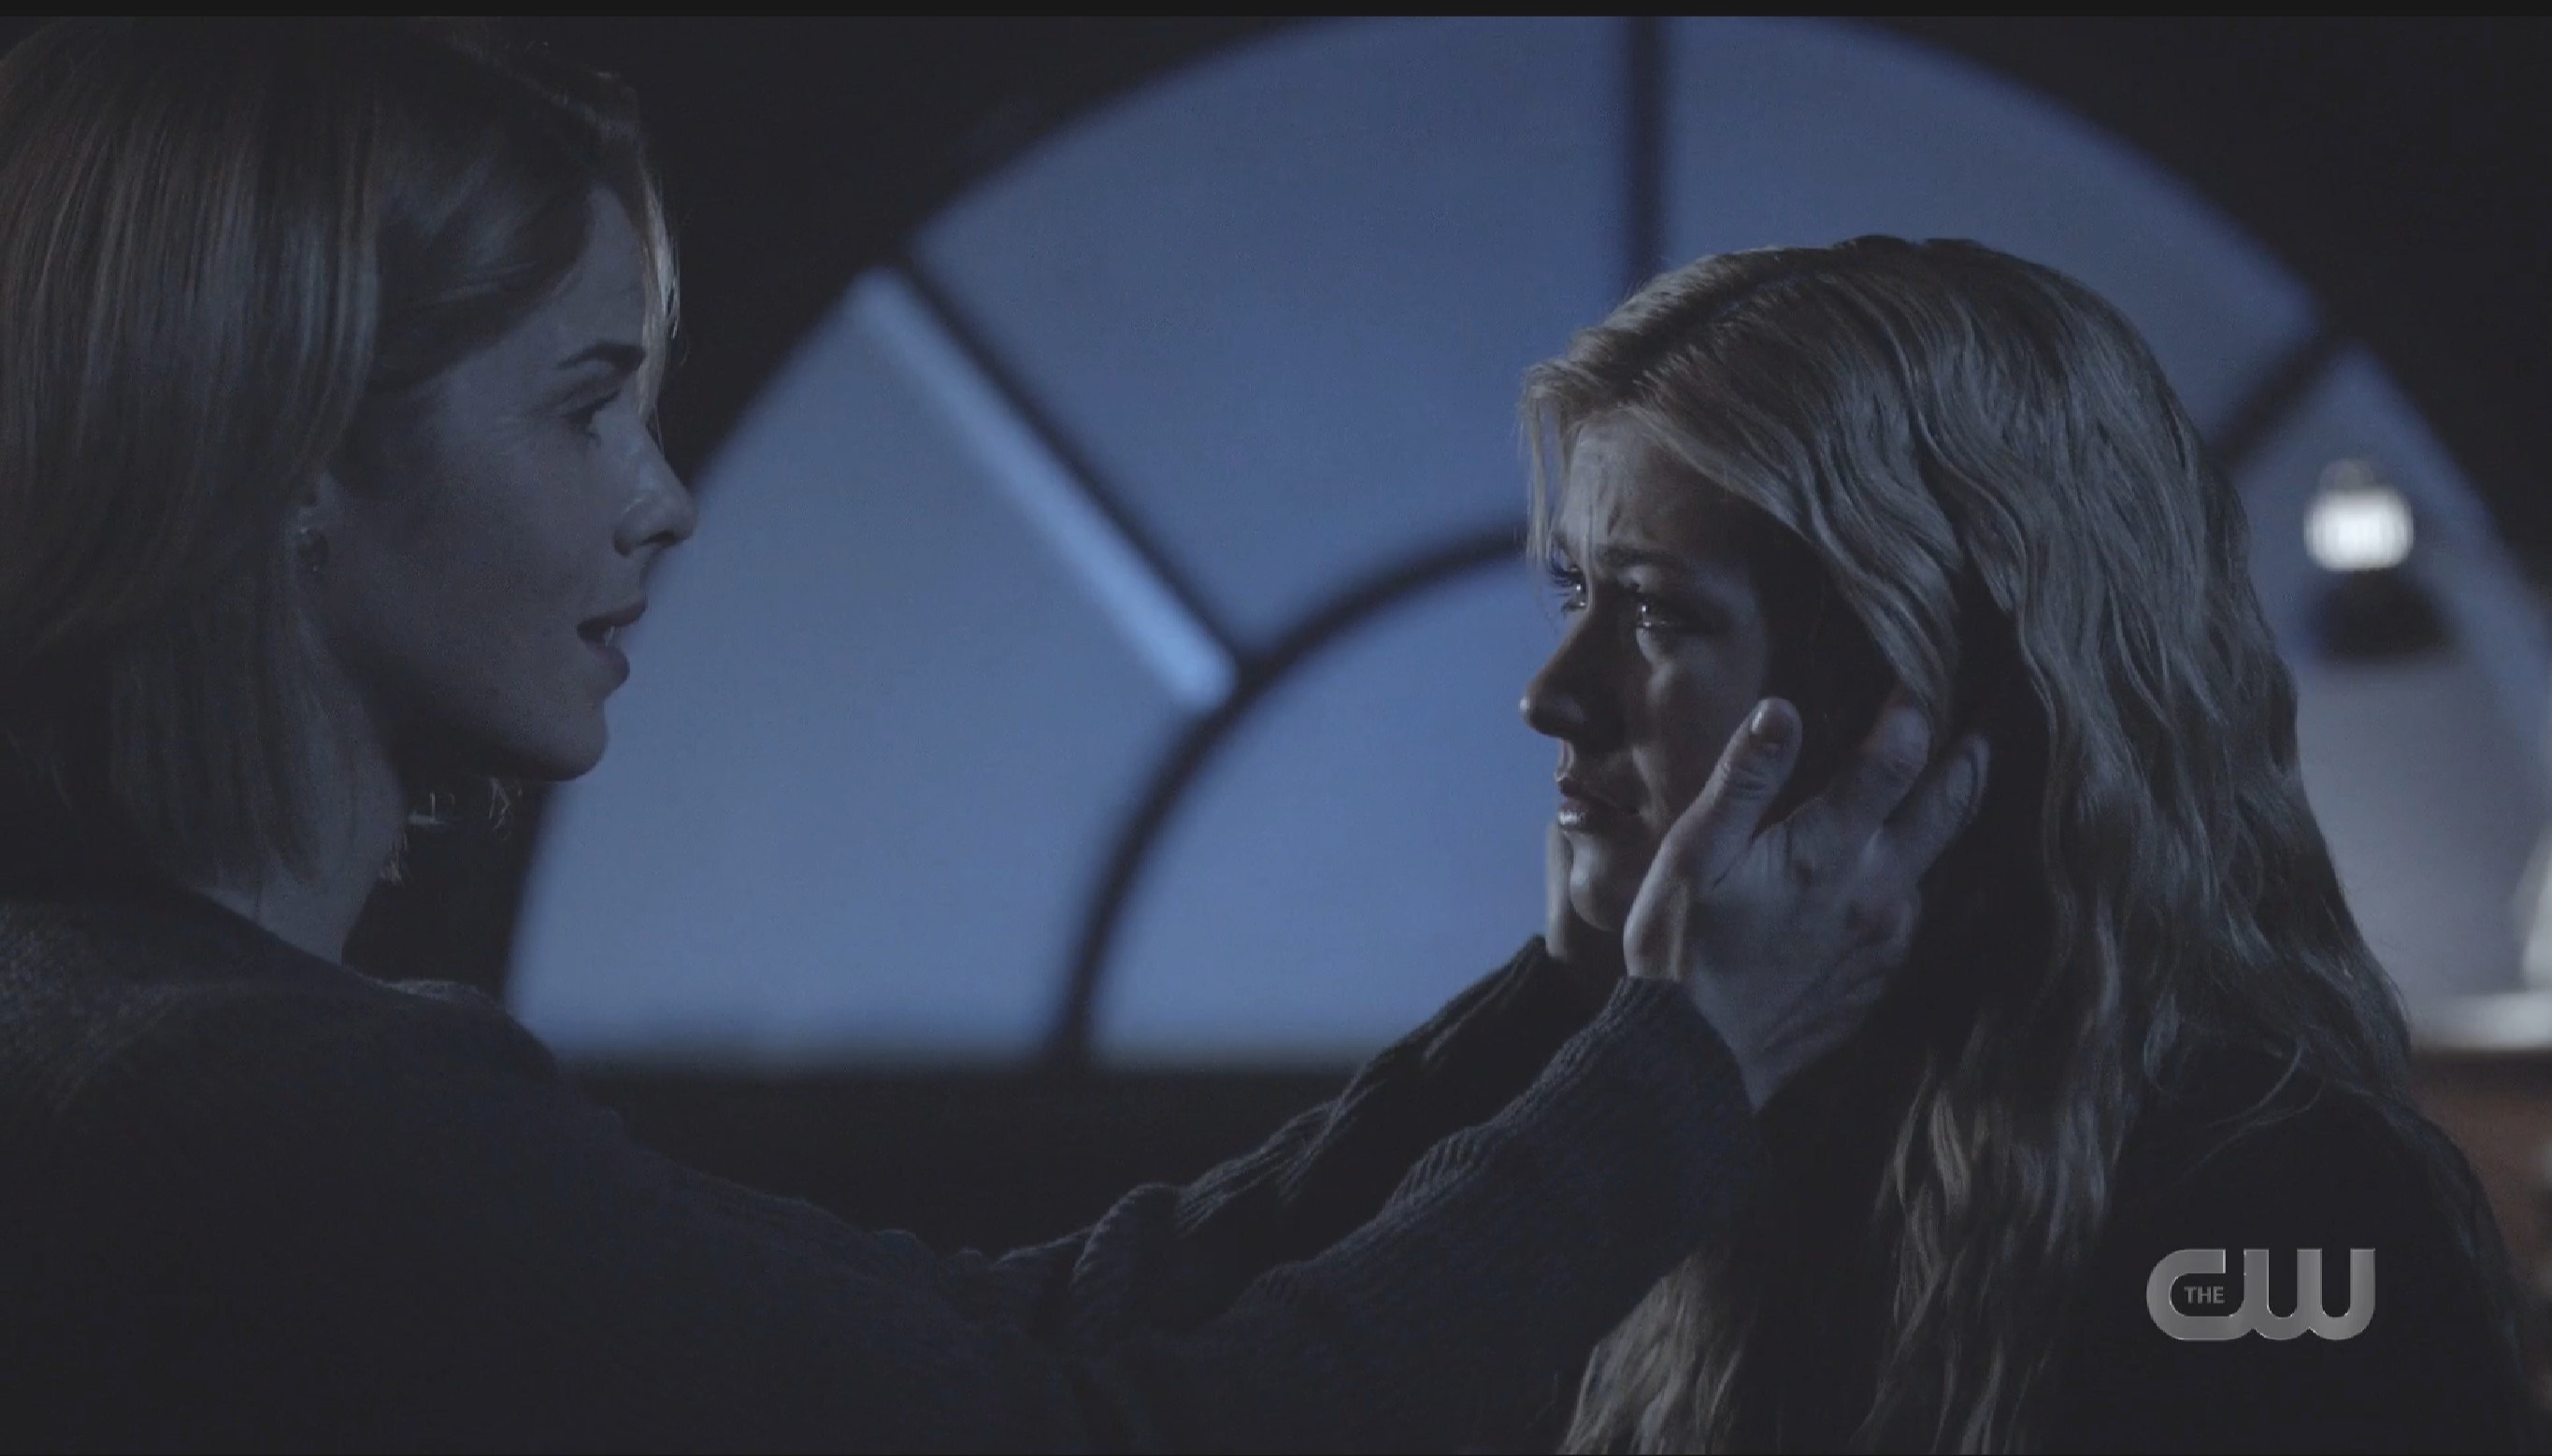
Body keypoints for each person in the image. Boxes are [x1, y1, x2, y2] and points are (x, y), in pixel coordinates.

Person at [0, 21, 1985, 1452]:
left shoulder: (135, 1031)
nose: (661, 498)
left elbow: (1022, 1328)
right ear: (293, 451)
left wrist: (1575, 1008)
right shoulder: (256, 1111)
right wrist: (1687, 1066)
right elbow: (1114, 1430)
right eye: (582, 403)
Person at [1514, 237, 2545, 1452]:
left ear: (1930, 680)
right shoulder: (1705, 1134)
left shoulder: (2278, 1193)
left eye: (1656, 610)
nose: (1550, 695)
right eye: (1574, 593)